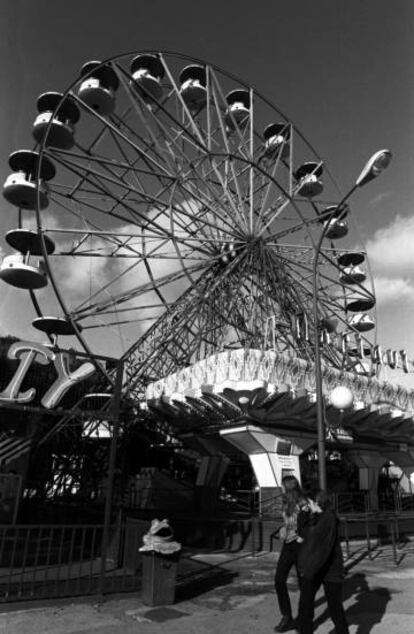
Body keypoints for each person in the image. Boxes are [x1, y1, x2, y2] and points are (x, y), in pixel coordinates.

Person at [297, 489, 349, 634]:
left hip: (329, 567)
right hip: (316, 566)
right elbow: (303, 532)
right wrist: (304, 513)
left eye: (310, 502)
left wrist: (307, 569)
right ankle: (305, 629)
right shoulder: (317, 516)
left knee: (334, 606)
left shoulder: (328, 519)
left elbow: (320, 546)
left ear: (317, 503)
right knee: (306, 602)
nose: (308, 505)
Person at [274, 475, 311, 633]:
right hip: (287, 545)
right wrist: (283, 528)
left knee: (304, 584)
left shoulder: (304, 501)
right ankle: (287, 616)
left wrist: (302, 535)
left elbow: (313, 519)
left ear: (288, 487)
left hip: (299, 545)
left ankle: (304, 619)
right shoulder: (285, 502)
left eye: (283, 485)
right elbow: (287, 522)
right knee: (279, 579)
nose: (281, 488)